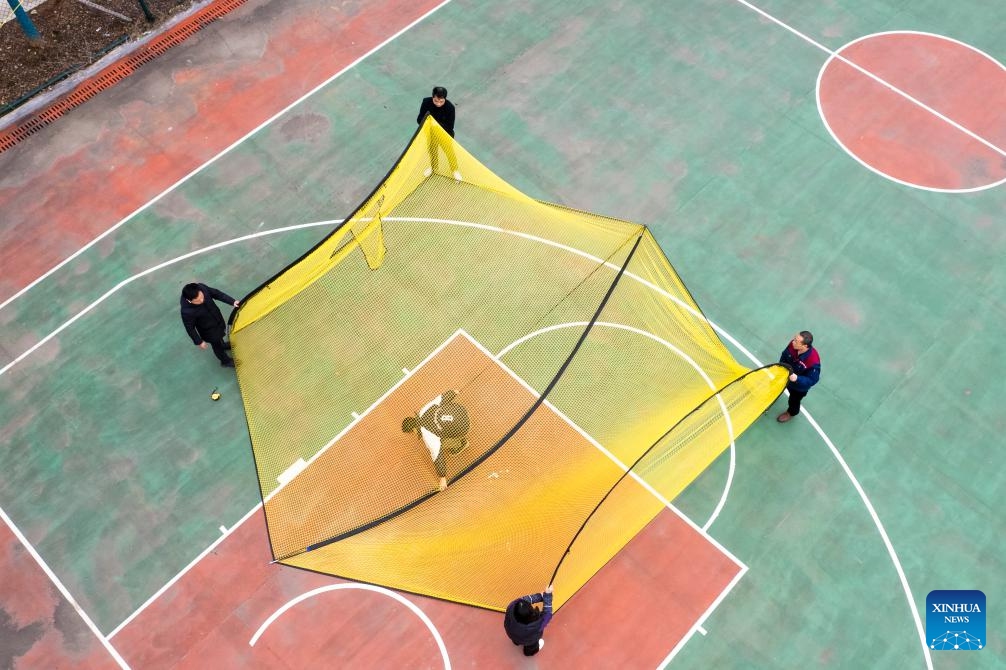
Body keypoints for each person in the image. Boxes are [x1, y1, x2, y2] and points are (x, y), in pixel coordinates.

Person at [402, 388, 470, 491]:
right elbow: (441, 398)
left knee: (440, 444)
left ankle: (460, 444)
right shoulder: (424, 409)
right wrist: (453, 393)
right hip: (461, 411)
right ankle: (456, 432)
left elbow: (437, 456)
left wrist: (442, 478)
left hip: (465, 427)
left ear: (413, 429)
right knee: (443, 412)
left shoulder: (427, 435)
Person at [180, 282, 240, 368]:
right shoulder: (186, 312)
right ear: (189, 300)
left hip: (217, 319)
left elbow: (217, 294)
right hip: (208, 331)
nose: (202, 300)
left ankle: (223, 345)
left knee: (220, 335)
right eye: (197, 301)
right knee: (216, 346)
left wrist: (232, 301)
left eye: (202, 297)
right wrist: (199, 341)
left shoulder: (202, 287)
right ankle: (225, 361)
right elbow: (190, 328)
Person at [416, 86, 461, 180]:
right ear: (433, 97)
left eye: (441, 101)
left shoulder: (450, 108)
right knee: (432, 151)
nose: (438, 104)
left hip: (445, 134)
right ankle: (433, 168)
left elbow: (450, 126)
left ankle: (455, 171)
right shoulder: (426, 102)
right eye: (436, 101)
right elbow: (419, 119)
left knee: (449, 152)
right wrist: (429, 123)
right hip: (430, 133)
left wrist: (435, 125)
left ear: (445, 99)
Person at [777, 330, 821, 422]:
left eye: (796, 341)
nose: (793, 342)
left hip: (798, 387)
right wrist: (780, 367)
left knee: (794, 400)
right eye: (794, 339)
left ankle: (791, 413)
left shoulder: (813, 361)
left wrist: (797, 378)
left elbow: (812, 380)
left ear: (804, 346)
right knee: (775, 384)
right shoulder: (792, 345)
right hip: (784, 375)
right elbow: (784, 355)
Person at [504, 585, 554, 657]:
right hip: (528, 640)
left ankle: (516, 642)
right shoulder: (538, 625)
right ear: (531, 613)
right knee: (532, 646)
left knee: (516, 639)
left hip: (511, 633)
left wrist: (541, 596)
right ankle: (529, 652)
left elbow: (523, 600)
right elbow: (548, 614)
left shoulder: (512, 606)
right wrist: (547, 596)